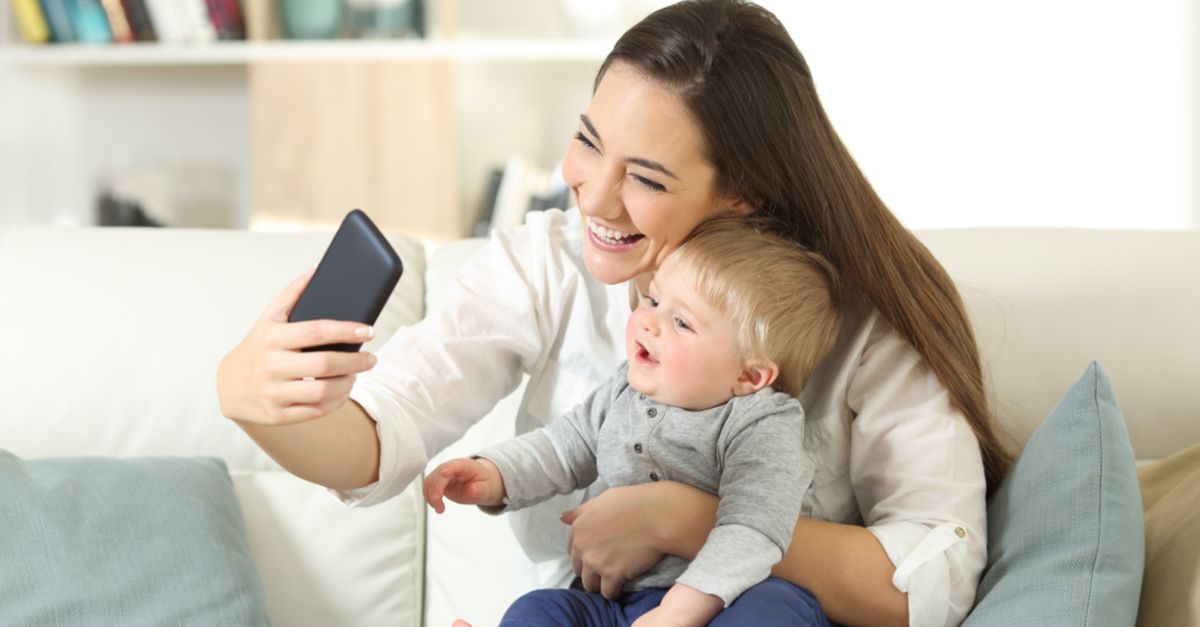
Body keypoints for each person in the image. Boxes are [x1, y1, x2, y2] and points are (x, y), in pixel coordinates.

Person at [216, 1, 1012, 624]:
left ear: (743, 196)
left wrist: (686, 519)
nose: (591, 195)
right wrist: (262, 403)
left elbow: (931, 580)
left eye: (648, 178)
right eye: (588, 141)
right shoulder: (548, 265)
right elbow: (380, 438)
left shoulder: (861, 321)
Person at [423, 218, 841, 626]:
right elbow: (563, 446)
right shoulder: (624, 387)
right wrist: (493, 473)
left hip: (727, 600)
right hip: (616, 600)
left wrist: (678, 613)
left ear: (748, 377)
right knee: (540, 610)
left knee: (776, 610)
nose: (649, 322)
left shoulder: (762, 424)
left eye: (681, 323)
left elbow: (753, 529)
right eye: (654, 300)